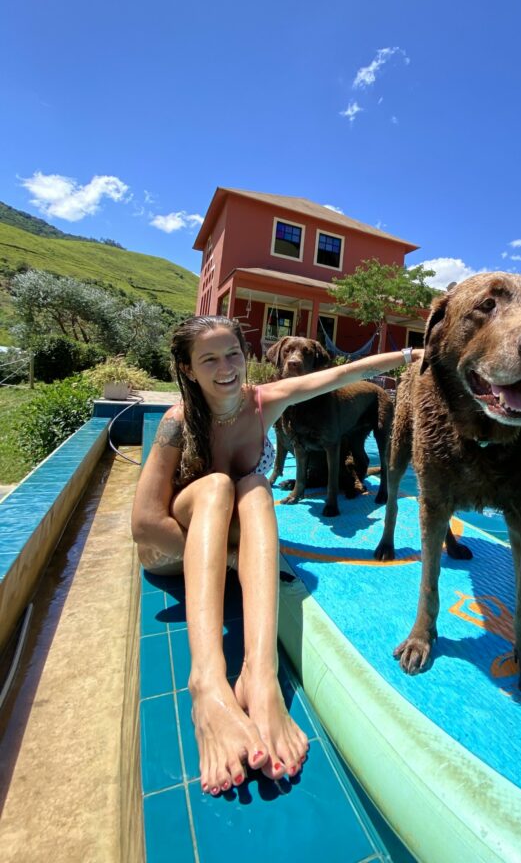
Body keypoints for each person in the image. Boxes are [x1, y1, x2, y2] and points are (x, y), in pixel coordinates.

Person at [131, 315, 422, 796]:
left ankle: (259, 676)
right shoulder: (178, 422)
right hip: (175, 548)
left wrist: (413, 356)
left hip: (229, 547)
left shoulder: (262, 403)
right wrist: (224, 559)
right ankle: (206, 684)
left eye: (233, 355)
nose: (226, 368)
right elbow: (144, 524)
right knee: (219, 485)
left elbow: (340, 375)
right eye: (210, 359)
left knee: (256, 489)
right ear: (187, 368)